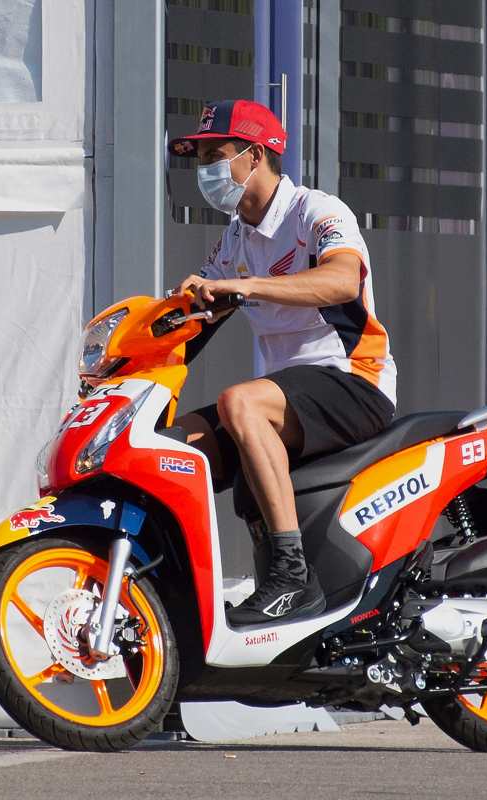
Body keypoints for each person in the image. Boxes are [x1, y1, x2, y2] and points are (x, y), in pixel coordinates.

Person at [168, 99, 397, 626]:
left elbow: (343, 280)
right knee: (172, 444)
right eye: (197, 157)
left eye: (214, 154)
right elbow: (192, 318)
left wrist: (243, 286)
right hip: (289, 397)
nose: (203, 169)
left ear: (254, 155)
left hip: (355, 381)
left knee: (238, 401)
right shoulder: (234, 237)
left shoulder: (316, 211)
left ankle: (291, 575)